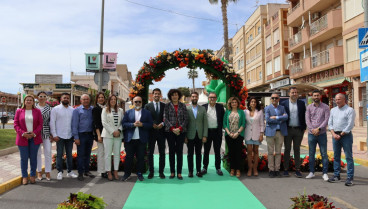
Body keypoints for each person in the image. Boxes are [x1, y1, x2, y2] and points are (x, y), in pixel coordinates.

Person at [121, 96, 153, 181]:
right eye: (136, 102)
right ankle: (127, 174)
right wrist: (133, 125)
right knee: (129, 158)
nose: (138, 103)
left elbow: (150, 125)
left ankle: (139, 173)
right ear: (133, 103)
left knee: (141, 158)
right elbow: (123, 124)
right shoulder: (128, 113)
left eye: (139, 101)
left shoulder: (147, 113)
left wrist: (142, 125)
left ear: (142, 102)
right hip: (130, 140)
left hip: (141, 140)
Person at [14, 95, 43, 185]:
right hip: (22, 138)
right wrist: (23, 133)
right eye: (27, 100)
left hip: (34, 137)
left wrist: (34, 133)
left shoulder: (37, 111)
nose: (29, 101)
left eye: (31, 100)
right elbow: (16, 124)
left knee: (33, 158)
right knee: (24, 158)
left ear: (33, 102)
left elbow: (40, 124)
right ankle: (25, 176)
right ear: (24, 101)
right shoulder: (19, 111)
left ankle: (33, 175)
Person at [327, 93, 356, 186]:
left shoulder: (350, 110)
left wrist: (341, 134)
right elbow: (330, 123)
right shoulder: (333, 110)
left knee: (348, 156)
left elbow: (350, 124)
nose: (337, 101)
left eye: (339, 99)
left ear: (344, 100)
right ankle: (336, 175)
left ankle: (350, 177)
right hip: (335, 135)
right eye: (335, 99)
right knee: (336, 156)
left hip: (345, 135)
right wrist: (333, 133)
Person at [50, 93, 78, 180]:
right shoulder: (56, 109)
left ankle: (70, 171)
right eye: (64, 98)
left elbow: (74, 123)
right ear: (61, 99)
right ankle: (59, 172)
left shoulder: (72, 110)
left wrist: (74, 134)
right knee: (59, 155)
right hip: (59, 136)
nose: (66, 99)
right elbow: (52, 122)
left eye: (67, 98)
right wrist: (54, 135)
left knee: (69, 154)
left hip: (69, 136)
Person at [280, 87, 306, 178]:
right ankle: (286, 169)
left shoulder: (302, 103)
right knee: (287, 149)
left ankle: (297, 169)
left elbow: (304, 116)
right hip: (288, 129)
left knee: (297, 149)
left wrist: (304, 128)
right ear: (289, 93)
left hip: (299, 130)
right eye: (292, 92)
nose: (294, 94)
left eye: (296, 92)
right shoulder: (283, 104)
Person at [305, 90, 330, 181]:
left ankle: (325, 173)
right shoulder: (309, 107)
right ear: (312, 97)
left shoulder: (326, 107)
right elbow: (307, 120)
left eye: (317, 95)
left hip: (322, 134)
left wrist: (318, 129)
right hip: (311, 134)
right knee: (311, 154)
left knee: (324, 154)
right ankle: (311, 172)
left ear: (320, 96)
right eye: (314, 95)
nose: (316, 97)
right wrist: (312, 129)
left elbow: (326, 120)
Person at [164, 89, 188, 180]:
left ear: (179, 96)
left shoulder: (183, 106)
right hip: (170, 132)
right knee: (171, 152)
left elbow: (186, 119)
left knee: (179, 152)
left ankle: (179, 172)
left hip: (181, 132)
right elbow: (165, 118)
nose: (175, 96)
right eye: (173, 95)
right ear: (170, 96)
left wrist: (180, 128)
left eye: (176, 95)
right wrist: (172, 128)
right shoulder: (167, 106)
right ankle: (172, 172)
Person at [144, 88, 166, 179]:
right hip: (151, 132)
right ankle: (151, 171)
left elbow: (166, 117)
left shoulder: (164, 106)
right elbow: (145, 118)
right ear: (152, 95)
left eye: (158, 94)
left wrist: (163, 123)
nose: (157, 95)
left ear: (160, 95)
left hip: (161, 132)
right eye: (155, 94)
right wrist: (151, 124)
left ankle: (161, 172)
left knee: (162, 153)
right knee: (150, 153)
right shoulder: (147, 106)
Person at [72, 94, 95, 181]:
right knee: (81, 155)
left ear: (89, 100)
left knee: (88, 154)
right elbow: (74, 125)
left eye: (87, 99)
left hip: (90, 135)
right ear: (81, 101)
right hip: (81, 135)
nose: (86, 101)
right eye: (84, 99)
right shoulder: (77, 111)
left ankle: (87, 171)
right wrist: (76, 137)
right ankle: (80, 173)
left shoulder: (92, 109)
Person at [264, 93, 288, 178]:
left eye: (276, 98)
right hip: (270, 132)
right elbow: (268, 120)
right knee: (270, 152)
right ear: (271, 99)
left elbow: (286, 117)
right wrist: (280, 118)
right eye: (273, 98)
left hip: (280, 132)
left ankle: (277, 169)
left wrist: (276, 117)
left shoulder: (282, 108)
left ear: (279, 99)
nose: (274, 99)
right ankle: (271, 169)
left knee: (278, 152)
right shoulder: (267, 108)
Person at [201, 92, 225, 176]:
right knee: (206, 151)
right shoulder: (203, 107)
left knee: (217, 151)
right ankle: (204, 167)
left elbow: (222, 119)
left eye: (214, 97)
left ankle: (218, 168)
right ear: (208, 98)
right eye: (211, 97)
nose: (212, 99)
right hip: (207, 132)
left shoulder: (220, 107)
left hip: (217, 132)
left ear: (216, 98)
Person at [185, 92, 208, 178]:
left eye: (196, 96)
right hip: (190, 135)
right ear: (190, 98)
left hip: (200, 135)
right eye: (193, 96)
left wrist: (205, 135)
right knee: (190, 154)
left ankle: (198, 171)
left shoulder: (202, 109)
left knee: (199, 154)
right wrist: (185, 136)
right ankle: (190, 171)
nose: (194, 98)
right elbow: (185, 123)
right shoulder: (187, 108)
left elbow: (205, 123)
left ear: (198, 98)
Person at [101, 95, 124, 181]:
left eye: (115, 99)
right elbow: (104, 122)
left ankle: (116, 171)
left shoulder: (120, 110)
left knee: (117, 154)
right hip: (108, 135)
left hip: (118, 135)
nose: (113, 101)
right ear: (109, 100)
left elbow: (123, 122)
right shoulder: (105, 110)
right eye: (112, 99)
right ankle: (109, 172)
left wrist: (119, 130)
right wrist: (112, 131)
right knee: (108, 155)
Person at [223, 97, 246, 177]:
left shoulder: (241, 112)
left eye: (235, 102)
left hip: (238, 135)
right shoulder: (227, 112)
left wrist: (238, 133)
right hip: (229, 135)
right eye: (232, 102)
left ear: (237, 103)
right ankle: (232, 169)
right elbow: (224, 124)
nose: (234, 104)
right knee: (231, 153)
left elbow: (243, 123)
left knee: (238, 153)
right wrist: (229, 133)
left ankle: (238, 169)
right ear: (230, 104)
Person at [244, 97, 264, 177]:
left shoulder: (260, 112)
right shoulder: (245, 111)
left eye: (254, 102)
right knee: (249, 152)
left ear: (256, 103)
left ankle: (255, 169)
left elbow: (262, 124)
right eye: (251, 102)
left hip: (257, 134)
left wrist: (261, 134)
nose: (253, 103)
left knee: (256, 152)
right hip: (248, 134)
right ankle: (250, 168)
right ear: (249, 103)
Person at [35, 91, 52, 181]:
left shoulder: (50, 109)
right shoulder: (34, 108)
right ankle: (39, 172)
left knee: (48, 152)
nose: (42, 97)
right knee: (38, 153)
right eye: (40, 96)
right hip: (36, 133)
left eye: (44, 96)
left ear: (46, 98)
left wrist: (52, 134)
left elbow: (52, 122)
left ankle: (48, 171)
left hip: (46, 131)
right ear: (37, 97)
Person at [92, 92, 107, 179]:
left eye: (102, 97)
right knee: (101, 153)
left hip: (107, 134)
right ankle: (102, 171)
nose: (101, 99)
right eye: (99, 97)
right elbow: (96, 123)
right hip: (100, 134)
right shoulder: (96, 109)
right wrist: (98, 135)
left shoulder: (106, 108)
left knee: (106, 153)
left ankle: (106, 169)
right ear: (97, 99)